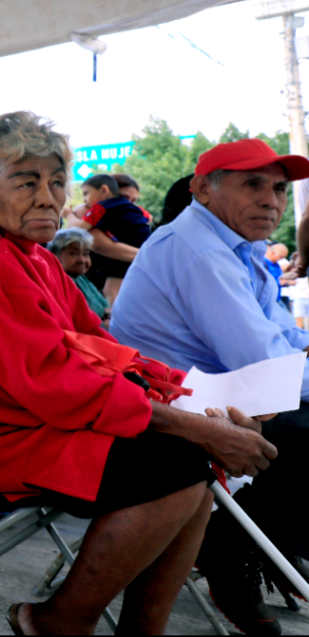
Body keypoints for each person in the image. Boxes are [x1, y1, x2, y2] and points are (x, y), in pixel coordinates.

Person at [0, 112, 278, 636]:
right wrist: (194, 424)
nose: (47, 198)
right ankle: (59, 622)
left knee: (193, 461)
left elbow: (103, 349)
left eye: (56, 182)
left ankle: (139, 630)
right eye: (26, 181)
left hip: (30, 417)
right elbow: (58, 385)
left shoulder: (34, 258)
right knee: (178, 462)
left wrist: (194, 401)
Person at [111, 138, 309, 633]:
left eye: (280, 189)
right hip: (170, 408)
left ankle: (255, 541)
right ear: (203, 189)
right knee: (303, 432)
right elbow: (263, 360)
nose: (272, 201)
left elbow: (281, 339)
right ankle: (232, 544)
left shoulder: (239, 248)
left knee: (295, 422)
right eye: (253, 185)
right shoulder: (198, 249)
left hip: (218, 394)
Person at [71, 173, 150, 306]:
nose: (127, 203)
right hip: (100, 283)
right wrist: (151, 257)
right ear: (108, 191)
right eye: (123, 197)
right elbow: (100, 245)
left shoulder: (128, 211)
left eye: (133, 200)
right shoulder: (89, 209)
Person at [47, 227, 110, 322]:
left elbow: (104, 307)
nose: (81, 260)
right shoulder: (59, 282)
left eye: (85, 254)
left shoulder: (81, 278)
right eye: (73, 254)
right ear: (54, 256)